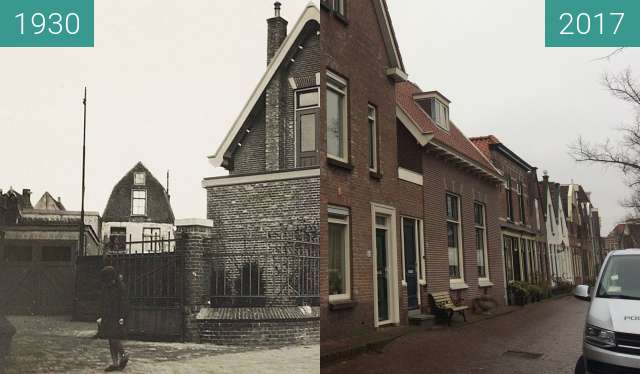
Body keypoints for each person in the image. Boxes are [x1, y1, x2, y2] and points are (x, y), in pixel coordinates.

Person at [98, 266, 129, 371]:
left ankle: (124, 354)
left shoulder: (120, 287)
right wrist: (101, 316)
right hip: (108, 316)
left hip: (116, 316)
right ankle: (115, 363)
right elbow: (103, 302)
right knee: (110, 340)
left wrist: (122, 317)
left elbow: (124, 303)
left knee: (114, 338)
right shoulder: (107, 287)